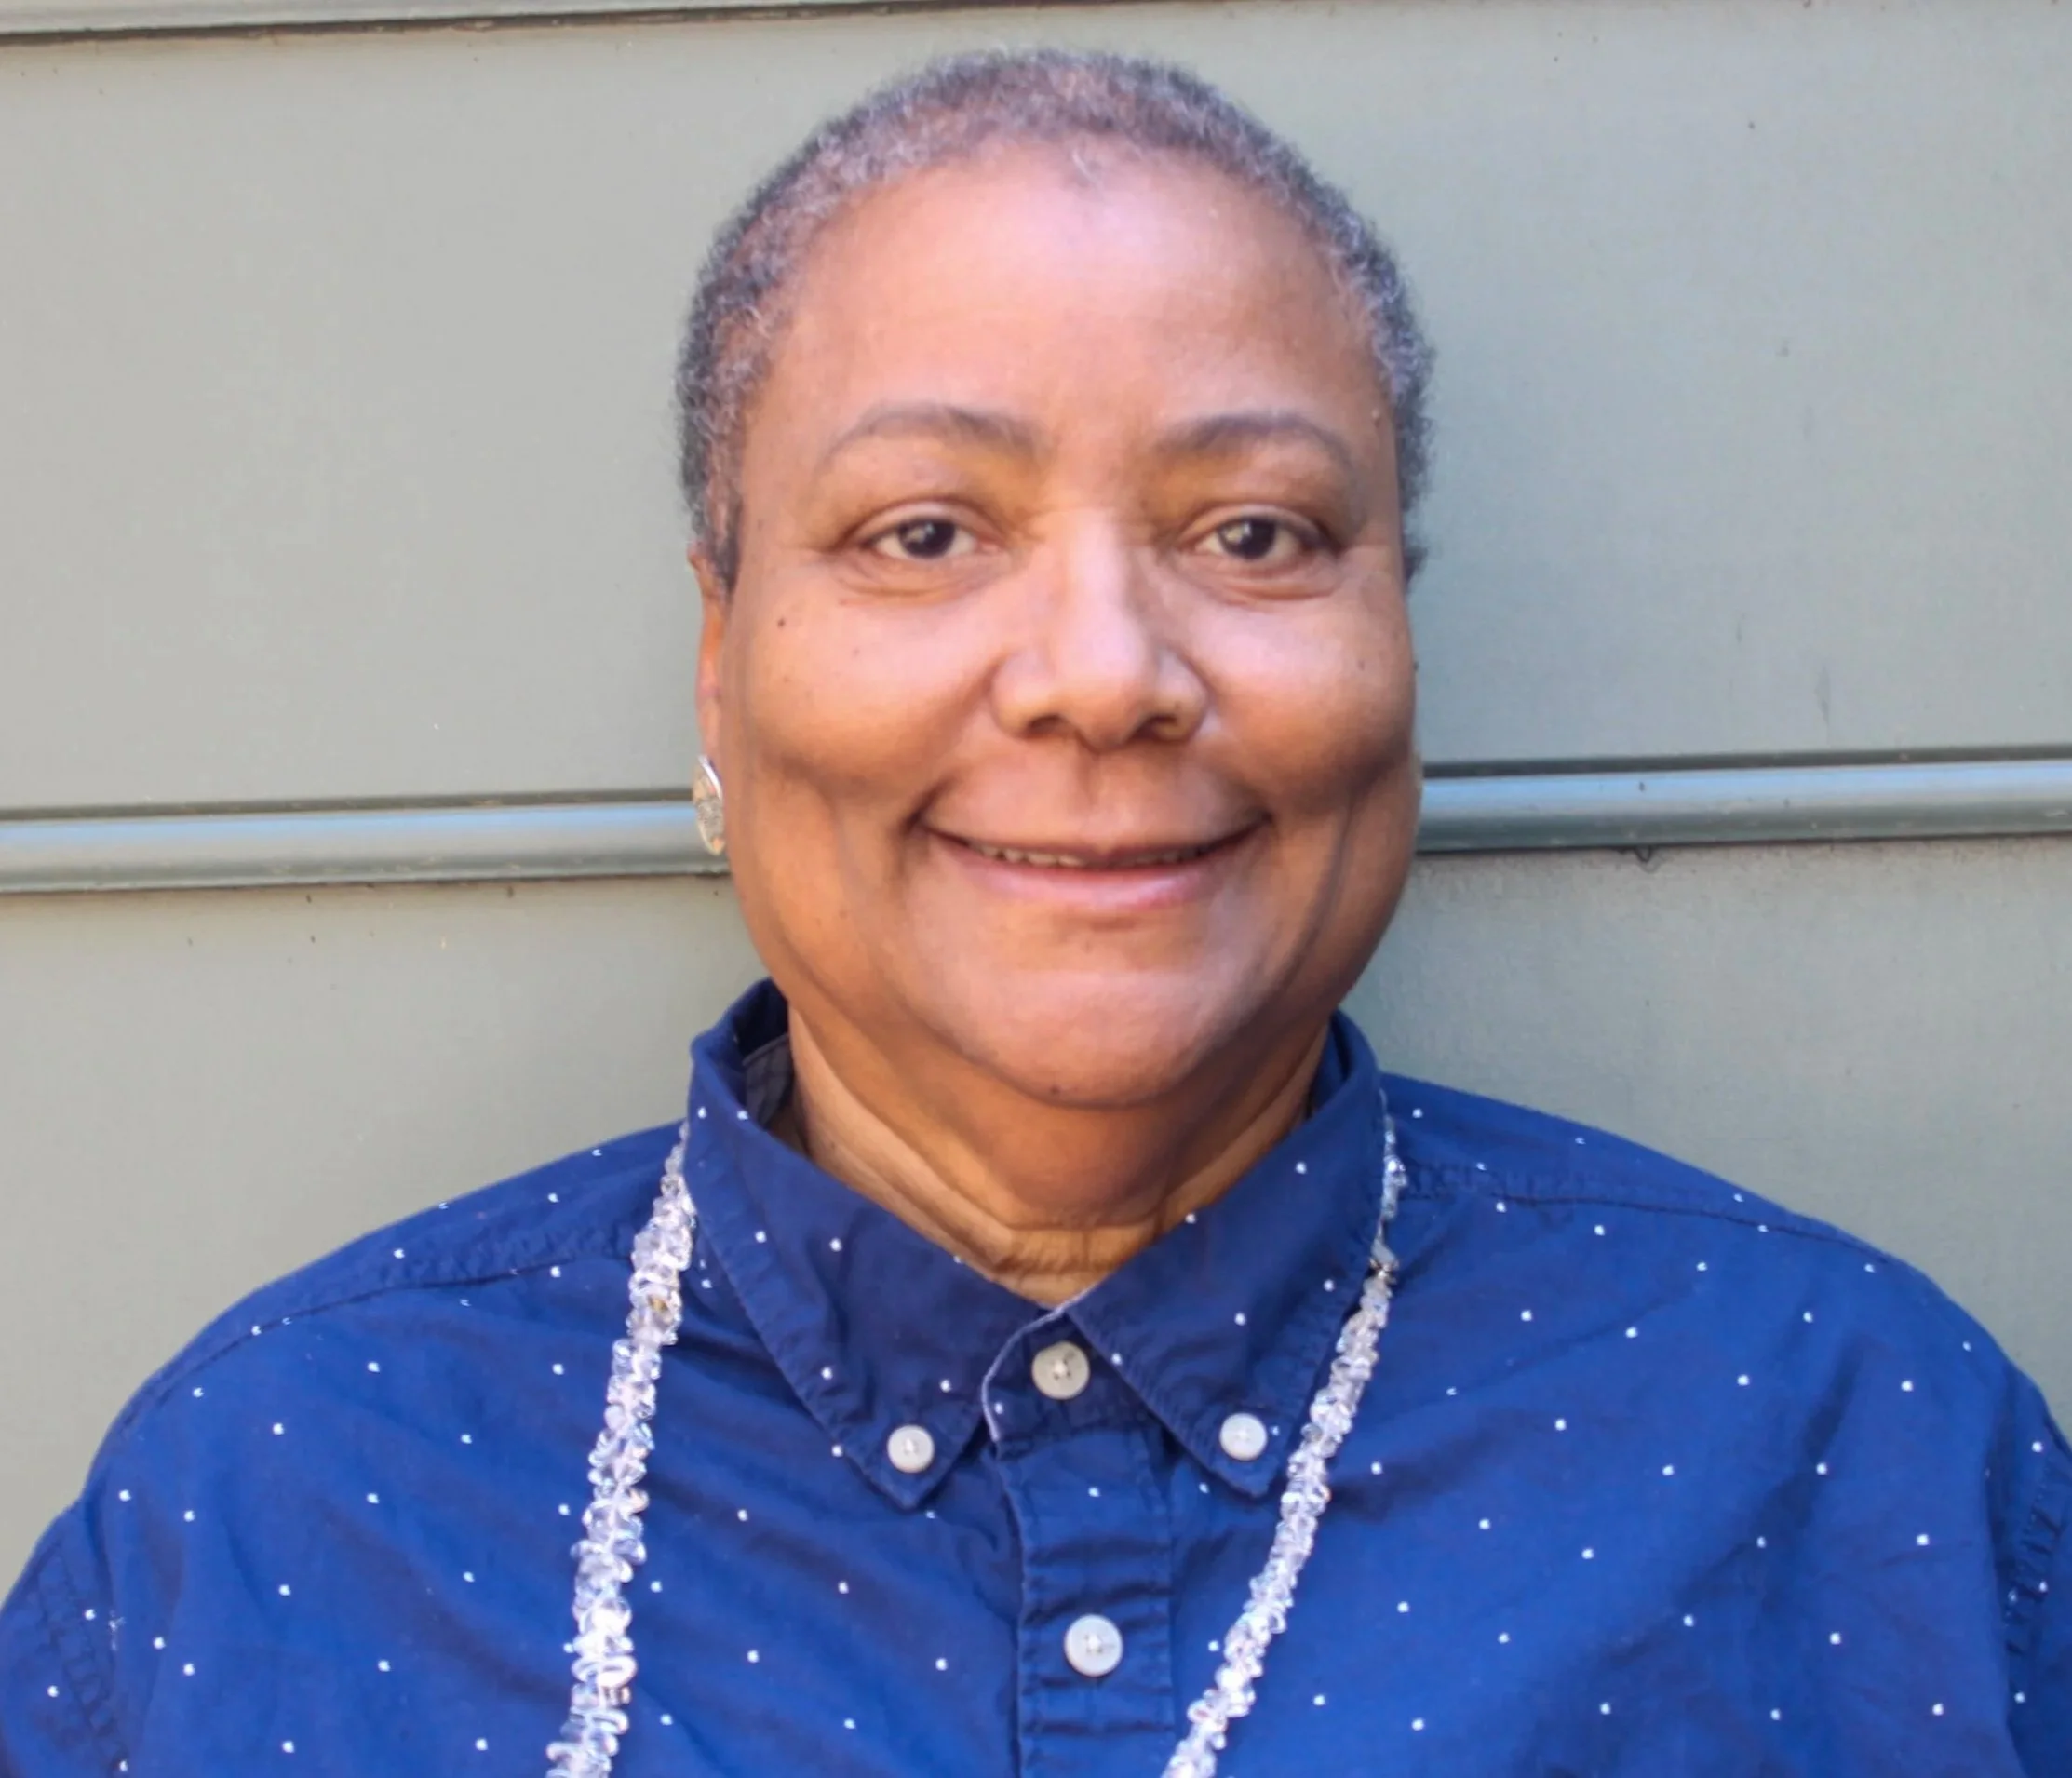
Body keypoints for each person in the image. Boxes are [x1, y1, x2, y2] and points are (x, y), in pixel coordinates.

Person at [1, 48, 2065, 1778]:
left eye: (1253, 531)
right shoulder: (279, 1499)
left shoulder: (1844, 1446)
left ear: (1396, 642)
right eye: (924, 532)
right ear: (720, 665)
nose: (1102, 673)